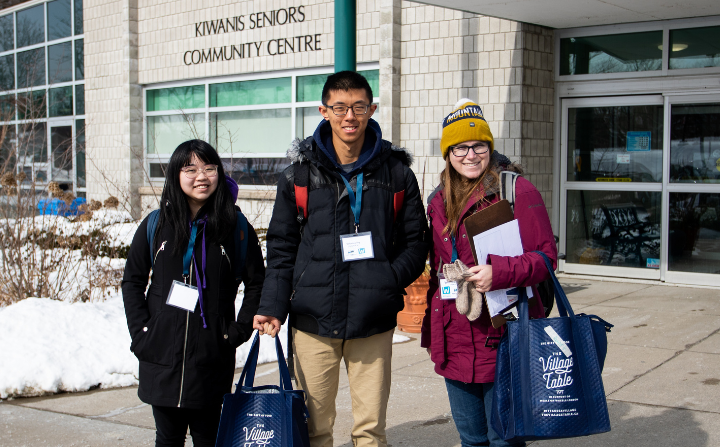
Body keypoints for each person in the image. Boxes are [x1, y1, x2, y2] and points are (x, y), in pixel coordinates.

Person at [253, 71, 429, 447]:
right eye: (340, 107)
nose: (350, 116)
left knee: (370, 431)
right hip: (313, 321)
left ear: (372, 109)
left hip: (373, 320)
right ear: (324, 110)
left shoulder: (397, 174)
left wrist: (386, 281)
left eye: (359, 107)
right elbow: (281, 249)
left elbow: (416, 244)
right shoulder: (298, 176)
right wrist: (272, 305)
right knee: (314, 431)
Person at [421, 99, 557, 447]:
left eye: (479, 145)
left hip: (503, 333)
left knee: (505, 438)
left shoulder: (515, 190)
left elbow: (546, 258)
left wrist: (502, 272)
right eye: (460, 147)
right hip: (455, 333)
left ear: (490, 147)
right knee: (471, 438)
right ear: (448, 152)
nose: (470, 154)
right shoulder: (438, 201)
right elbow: (440, 266)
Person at [122, 140, 265, 447]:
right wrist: (142, 333)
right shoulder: (155, 224)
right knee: (168, 438)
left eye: (209, 168)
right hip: (161, 356)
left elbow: (257, 283)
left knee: (209, 439)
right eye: (191, 169)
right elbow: (132, 280)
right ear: (176, 175)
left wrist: (236, 332)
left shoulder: (236, 227)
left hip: (211, 358)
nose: (201, 176)